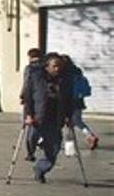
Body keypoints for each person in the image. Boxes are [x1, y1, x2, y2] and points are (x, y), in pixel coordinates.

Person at [24, 53, 73, 183]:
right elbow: (28, 97)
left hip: (55, 118)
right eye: (54, 66)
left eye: (59, 66)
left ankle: (40, 169)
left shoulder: (65, 80)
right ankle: (31, 152)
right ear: (47, 66)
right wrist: (28, 115)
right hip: (37, 116)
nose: (57, 69)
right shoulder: (36, 77)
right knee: (31, 138)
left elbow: (68, 100)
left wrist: (69, 116)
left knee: (54, 148)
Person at [62, 55, 99, 150]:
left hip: (67, 101)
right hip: (78, 101)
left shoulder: (63, 73)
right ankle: (90, 135)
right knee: (77, 120)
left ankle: (69, 146)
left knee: (67, 123)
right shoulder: (77, 71)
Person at [20, 48, 44, 161]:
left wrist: (23, 95)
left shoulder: (30, 69)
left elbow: (26, 84)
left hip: (31, 101)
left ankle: (31, 151)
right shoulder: (45, 68)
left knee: (30, 126)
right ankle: (40, 139)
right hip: (42, 102)